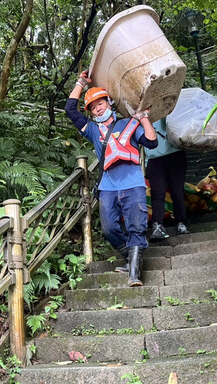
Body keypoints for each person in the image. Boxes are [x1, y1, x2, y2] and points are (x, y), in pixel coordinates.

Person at [65, 70, 158, 287]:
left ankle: (134, 274)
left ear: (109, 102)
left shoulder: (127, 124)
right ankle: (131, 258)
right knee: (108, 227)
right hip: (108, 185)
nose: (98, 108)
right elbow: (70, 109)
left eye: (101, 103)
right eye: (93, 107)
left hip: (133, 182)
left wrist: (144, 118)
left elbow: (151, 143)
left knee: (136, 225)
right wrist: (81, 83)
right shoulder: (92, 130)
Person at [144, 117, 190, 241]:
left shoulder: (170, 108)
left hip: (175, 154)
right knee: (157, 194)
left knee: (177, 192)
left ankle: (181, 222)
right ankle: (158, 225)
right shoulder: (141, 113)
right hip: (154, 158)